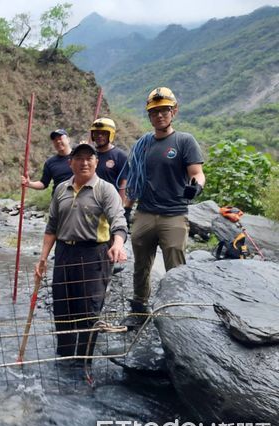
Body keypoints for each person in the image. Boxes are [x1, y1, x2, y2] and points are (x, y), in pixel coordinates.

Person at [35, 143, 128, 371]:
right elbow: (52, 226)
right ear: (71, 162)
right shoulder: (61, 189)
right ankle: (65, 356)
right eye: (79, 158)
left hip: (94, 254)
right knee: (63, 307)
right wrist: (43, 258)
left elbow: (119, 220)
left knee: (89, 310)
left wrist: (117, 243)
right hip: (64, 252)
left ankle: (84, 362)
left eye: (89, 158)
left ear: (96, 162)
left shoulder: (104, 189)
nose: (84, 162)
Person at [123, 87, 205, 328]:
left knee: (176, 267)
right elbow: (134, 180)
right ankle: (139, 309)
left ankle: (176, 312)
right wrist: (127, 209)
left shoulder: (184, 141)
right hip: (145, 213)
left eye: (164, 110)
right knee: (140, 266)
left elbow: (198, 173)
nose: (159, 115)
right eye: (154, 111)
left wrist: (196, 188)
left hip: (174, 215)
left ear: (174, 111)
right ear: (149, 116)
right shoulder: (143, 145)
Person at [21, 128, 73, 194]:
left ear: (68, 139)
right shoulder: (50, 162)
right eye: (55, 140)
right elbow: (43, 183)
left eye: (60, 138)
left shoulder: (79, 157)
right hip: (59, 198)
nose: (58, 141)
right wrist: (29, 184)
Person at [90, 118, 128, 205]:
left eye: (103, 133)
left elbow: (124, 182)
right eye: (96, 133)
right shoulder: (90, 154)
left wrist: (120, 205)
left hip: (110, 201)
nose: (99, 136)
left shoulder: (120, 156)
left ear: (110, 135)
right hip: (90, 201)